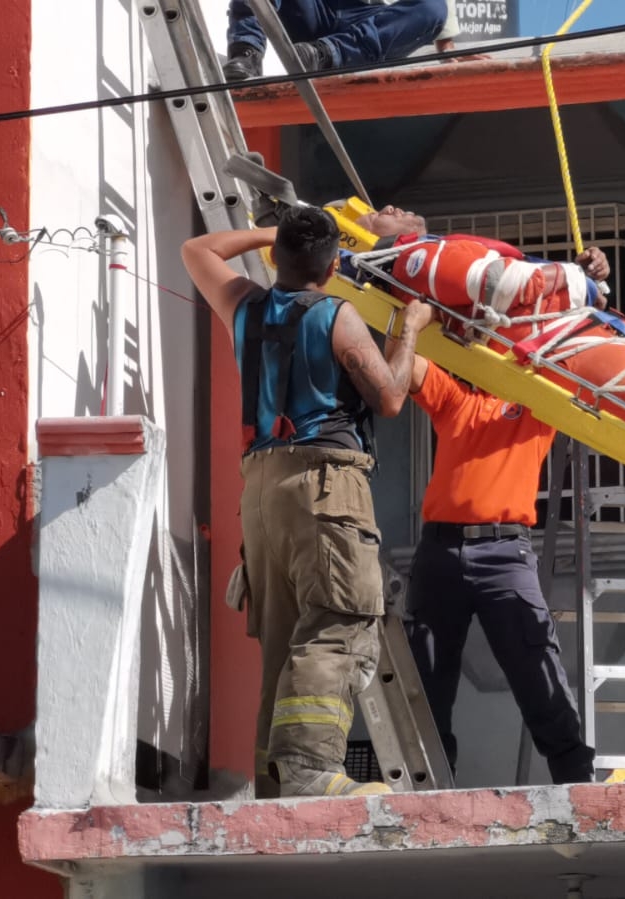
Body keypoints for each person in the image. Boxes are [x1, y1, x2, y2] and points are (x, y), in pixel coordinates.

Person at [350, 202, 609, 783]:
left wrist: (594, 276)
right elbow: (410, 370)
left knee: (534, 664)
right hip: (438, 553)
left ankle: (574, 777)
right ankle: (431, 786)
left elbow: (584, 344)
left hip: (504, 554)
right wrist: (411, 323)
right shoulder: (458, 401)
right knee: (427, 677)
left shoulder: (539, 401)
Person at [182, 205, 433, 797]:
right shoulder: (336, 315)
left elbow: (199, 249)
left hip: (263, 489)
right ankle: (312, 770)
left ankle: (277, 779)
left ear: (275, 257)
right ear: (334, 263)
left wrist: (276, 233)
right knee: (336, 623)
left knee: (283, 635)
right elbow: (390, 398)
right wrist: (412, 326)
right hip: (326, 481)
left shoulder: (244, 303)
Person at [222, 0, 450, 82]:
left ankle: (328, 54)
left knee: (433, 7)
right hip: (313, 10)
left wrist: (447, 46)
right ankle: (246, 53)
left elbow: (431, 10)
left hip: (368, 22)